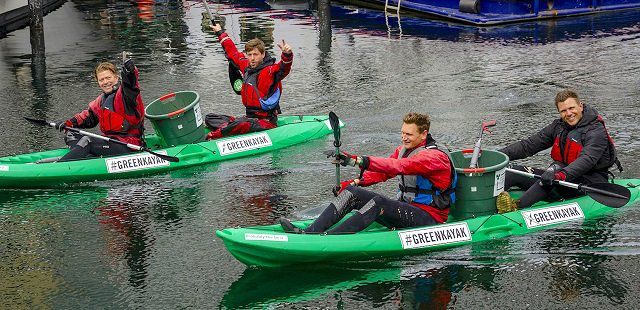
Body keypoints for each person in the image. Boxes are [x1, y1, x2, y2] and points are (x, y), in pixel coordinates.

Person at [279, 112, 457, 234]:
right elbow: (382, 174)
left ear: (424, 134)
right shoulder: (404, 149)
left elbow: (399, 166)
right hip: (408, 209)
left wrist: (359, 160)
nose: (404, 137)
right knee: (353, 194)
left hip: (430, 218)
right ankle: (311, 232)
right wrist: (354, 183)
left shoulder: (434, 157)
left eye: (409, 134)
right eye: (402, 133)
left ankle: (331, 239)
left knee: (379, 203)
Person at [497, 89, 621, 212]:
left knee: (549, 177)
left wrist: (561, 175)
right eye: (563, 111)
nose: (568, 113)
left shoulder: (596, 131)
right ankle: (484, 206)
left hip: (588, 184)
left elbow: (587, 160)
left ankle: (515, 209)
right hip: (561, 177)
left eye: (571, 108)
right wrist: (496, 156)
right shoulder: (558, 126)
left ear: (580, 106)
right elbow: (528, 145)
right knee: (512, 171)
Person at [206, 23, 293, 140]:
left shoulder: (270, 71)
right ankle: (231, 127)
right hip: (249, 117)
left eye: (255, 54)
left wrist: (287, 55)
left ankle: (216, 135)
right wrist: (220, 33)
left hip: (266, 122)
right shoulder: (246, 66)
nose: (252, 58)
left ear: (263, 54)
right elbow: (232, 53)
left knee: (242, 124)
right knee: (210, 118)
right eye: (250, 54)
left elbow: (284, 68)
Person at [56, 59, 145, 162]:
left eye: (108, 78)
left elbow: (131, 82)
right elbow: (85, 118)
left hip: (128, 145)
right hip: (109, 142)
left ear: (116, 78)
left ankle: (59, 166)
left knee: (87, 141)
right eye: (101, 80)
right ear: (98, 82)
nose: (105, 82)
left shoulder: (127, 94)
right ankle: (85, 156)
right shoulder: (100, 101)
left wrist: (131, 71)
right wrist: (66, 124)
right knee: (71, 134)